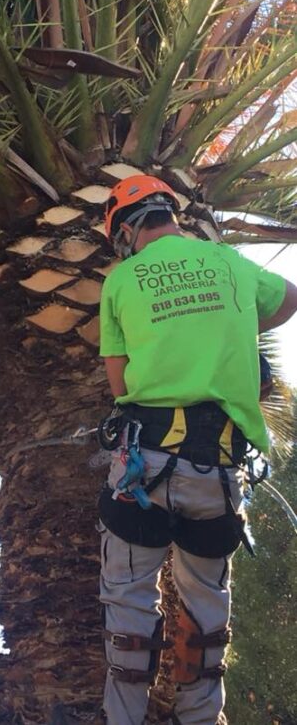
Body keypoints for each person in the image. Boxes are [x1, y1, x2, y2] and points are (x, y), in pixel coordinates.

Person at [97, 174, 297, 725]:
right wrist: (229, 323)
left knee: (128, 604)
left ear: (125, 232)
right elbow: (289, 299)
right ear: (170, 214)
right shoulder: (226, 261)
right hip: (219, 473)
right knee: (207, 613)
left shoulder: (121, 281)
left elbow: (119, 384)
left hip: (146, 467)